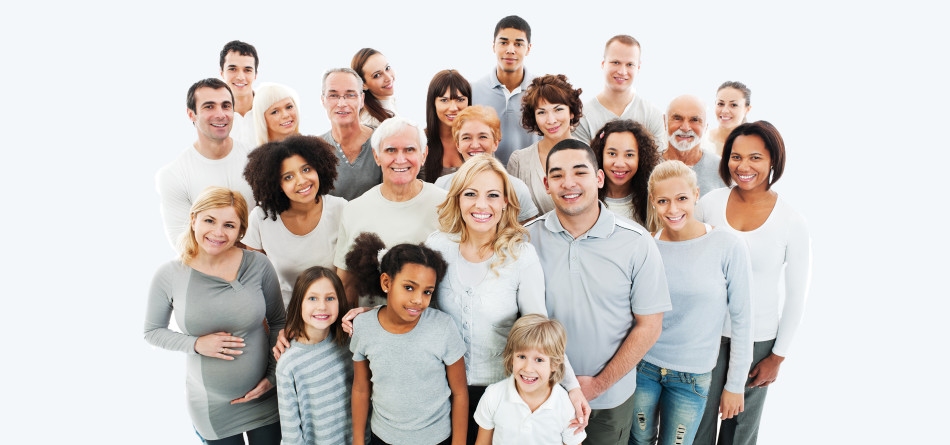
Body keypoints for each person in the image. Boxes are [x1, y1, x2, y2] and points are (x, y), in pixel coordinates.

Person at [430, 156, 589, 442]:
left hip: (502, 394)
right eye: (470, 194)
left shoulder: (520, 256)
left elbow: (540, 329)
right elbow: (412, 306)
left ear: (505, 202)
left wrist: (572, 386)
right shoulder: (437, 246)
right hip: (442, 392)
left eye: (492, 195)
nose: (481, 205)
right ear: (458, 199)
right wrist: (371, 314)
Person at [525, 139, 671, 445]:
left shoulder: (637, 242)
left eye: (580, 172)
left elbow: (650, 325)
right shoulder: (525, 240)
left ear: (599, 178)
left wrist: (599, 384)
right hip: (539, 396)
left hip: (608, 399)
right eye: (557, 175)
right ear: (546, 184)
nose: (568, 183)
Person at [694, 121, 812, 445]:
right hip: (709, 336)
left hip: (759, 343)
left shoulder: (791, 220)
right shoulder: (709, 204)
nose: (743, 167)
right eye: (736, 156)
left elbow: (797, 296)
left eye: (755, 158)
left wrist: (778, 356)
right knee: (697, 427)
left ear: (773, 160)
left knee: (739, 434)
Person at [144, 186, 285, 444]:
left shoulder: (258, 264)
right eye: (209, 220)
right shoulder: (169, 275)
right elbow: (152, 332)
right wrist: (196, 344)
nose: (218, 233)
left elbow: (278, 322)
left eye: (229, 225)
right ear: (193, 219)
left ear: (240, 230)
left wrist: (272, 377)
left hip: (264, 397)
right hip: (212, 408)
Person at [627, 160, 753, 445]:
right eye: (663, 201)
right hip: (643, 367)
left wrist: (735, 386)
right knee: (638, 441)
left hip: (692, 377)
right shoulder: (646, 246)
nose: (673, 210)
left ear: (696, 195)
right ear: (653, 202)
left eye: (682, 198)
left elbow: (744, 321)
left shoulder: (728, 245)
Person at [345, 233, 467, 445]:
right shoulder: (364, 327)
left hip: (437, 439)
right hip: (383, 437)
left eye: (427, 292)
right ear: (386, 282)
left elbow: (460, 393)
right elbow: (361, 389)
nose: (418, 300)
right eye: (409, 287)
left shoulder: (443, 327)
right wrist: (358, 441)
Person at [333, 116, 447, 307]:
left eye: (409, 149)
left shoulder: (446, 204)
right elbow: (346, 285)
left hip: (431, 327)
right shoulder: (354, 210)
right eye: (390, 150)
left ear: (423, 154)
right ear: (377, 156)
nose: (400, 159)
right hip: (372, 327)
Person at [242, 135, 347, 307]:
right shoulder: (260, 219)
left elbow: (349, 283)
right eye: (288, 177)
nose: (301, 181)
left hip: (332, 314)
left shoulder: (341, 209)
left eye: (306, 169)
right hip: (284, 317)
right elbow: (256, 284)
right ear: (277, 185)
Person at [156, 78, 255, 250]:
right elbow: (185, 245)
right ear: (191, 114)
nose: (220, 114)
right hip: (207, 274)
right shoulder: (174, 175)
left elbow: (271, 226)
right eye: (209, 106)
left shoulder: (256, 160)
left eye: (226, 106)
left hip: (258, 270)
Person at [474, 314, 586, 445]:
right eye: (521, 356)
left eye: (539, 360)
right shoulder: (493, 396)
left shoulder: (566, 406)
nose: (528, 368)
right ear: (511, 357)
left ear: (555, 364)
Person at [276, 266, 354, 445]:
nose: (322, 306)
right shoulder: (289, 364)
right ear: (298, 303)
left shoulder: (349, 344)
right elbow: (291, 432)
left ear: (340, 301)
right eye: (312, 298)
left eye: (330, 298)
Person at [433, 106, 540, 222]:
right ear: (458, 145)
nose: (474, 145)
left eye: (483, 137)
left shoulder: (517, 189)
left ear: (495, 143)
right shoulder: (442, 186)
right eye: (466, 137)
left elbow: (527, 233)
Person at [507, 74, 583, 215]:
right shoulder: (519, 161)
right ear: (534, 118)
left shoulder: (592, 154)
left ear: (571, 112)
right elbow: (512, 215)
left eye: (558, 109)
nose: (551, 120)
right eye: (542, 112)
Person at [573, 35, 666, 151]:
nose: (622, 71)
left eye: (630, 64)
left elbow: (658, 165)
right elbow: (581, 164)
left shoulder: (652, 115)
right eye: (616, 62)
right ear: (603, 64)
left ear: (638, 68)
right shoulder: (583, 116)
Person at [471, 15, 540, 165]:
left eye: (518, 44)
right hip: (485, 178)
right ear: (494, 46)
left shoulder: (540, 90)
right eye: (504, 42)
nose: (510, 50)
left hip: (532, 180)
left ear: (528, 49)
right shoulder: (473, 91)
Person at [319, 68, 382, 201]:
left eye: (350, 95)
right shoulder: (315, 150)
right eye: (333, 95)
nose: (342, 104)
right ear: (323, 100)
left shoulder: (383, 140)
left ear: (362, 99)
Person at [591, 119, 661, 226]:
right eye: (612, 154)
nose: (620, 164)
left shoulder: (652, 200)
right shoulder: (586, 196)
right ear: (600, 155)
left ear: (640, 158)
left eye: (629, 155)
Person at [661, 95, 725, 197]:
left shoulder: (722, 168)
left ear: (706, 126)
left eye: (695, 120)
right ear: (664, 121)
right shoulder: (647, 165)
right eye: (677, 118)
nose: (685, 128)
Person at [422, 69, 471, 181]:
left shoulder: (478, 140)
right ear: (433, 103)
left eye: (460, 100)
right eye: (444, 100)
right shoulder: (419, 142)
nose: (453, 108)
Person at [219, 40, 260, 146]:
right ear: (222, 73)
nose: (240, 77)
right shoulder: (213, 118)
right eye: (232, 69)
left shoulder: (271, 111)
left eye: (247, 70)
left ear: (255, 75)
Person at [351, 48, 397, 127]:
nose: (389, 78)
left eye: (387, 68)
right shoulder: (370, 123)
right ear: (363, 85)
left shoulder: (389, 100)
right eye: (377, 75)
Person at [705, 82, 752, 156]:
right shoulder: (703, 138)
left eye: (733, 105)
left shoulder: (753, 144)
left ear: (747, 109)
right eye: (720, 104)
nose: (724, 111)